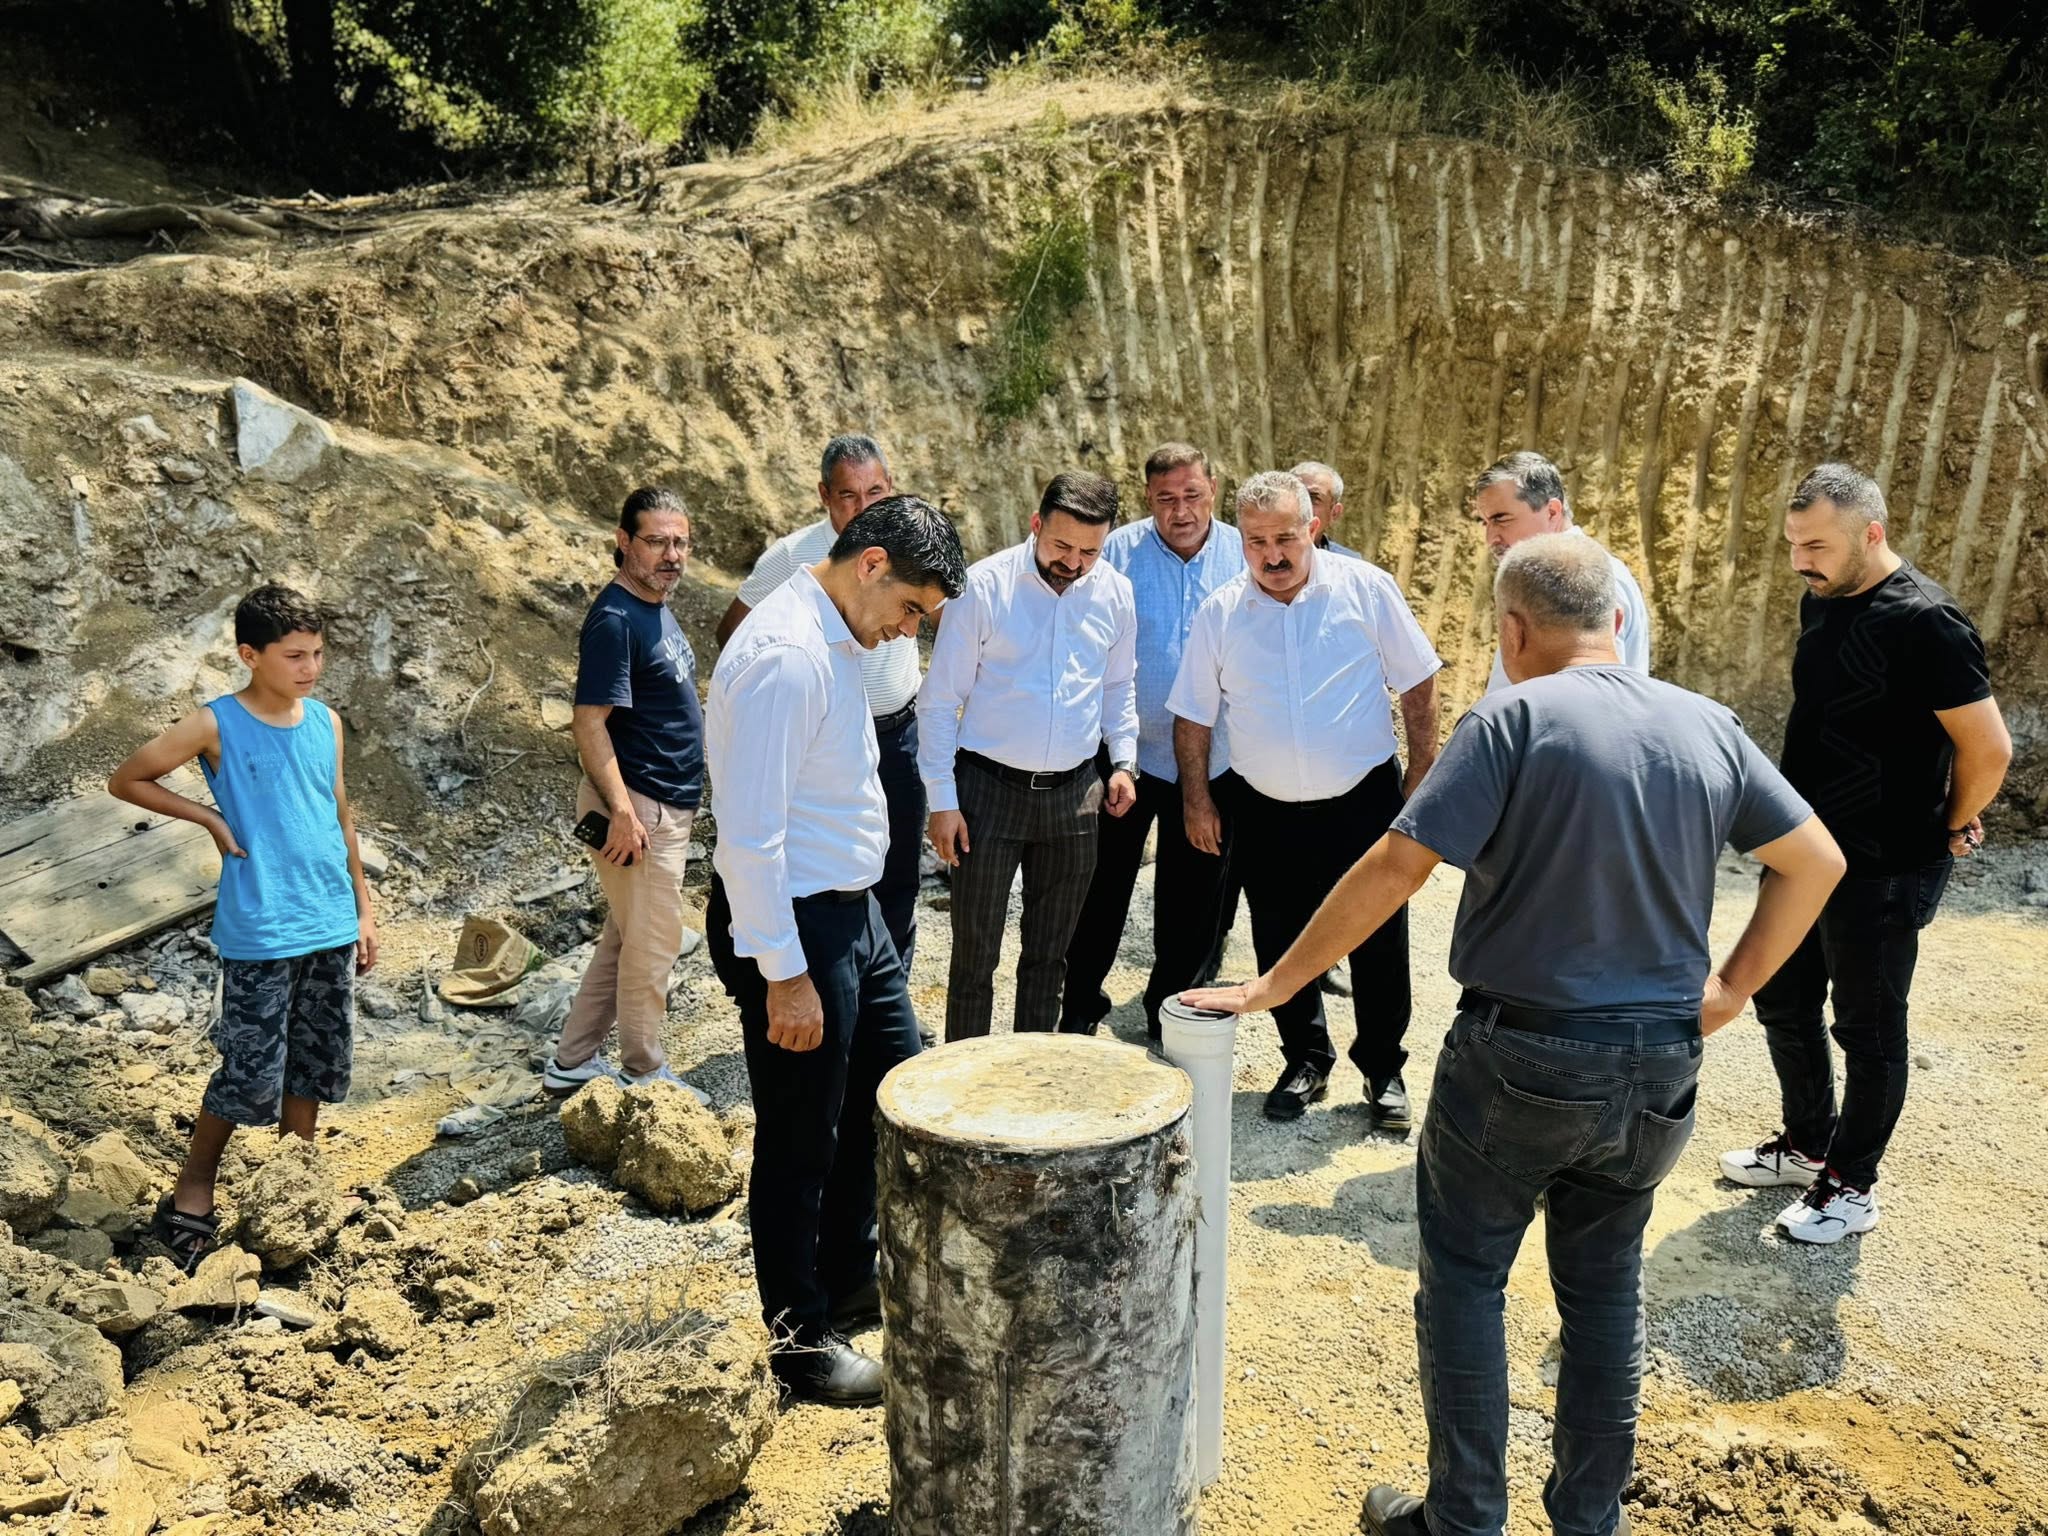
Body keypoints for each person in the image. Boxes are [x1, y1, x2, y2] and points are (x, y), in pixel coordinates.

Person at [1186, 533, 1845, 1536]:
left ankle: (1463, 1520)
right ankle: (1586, 1521)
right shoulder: (1705, 724)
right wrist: (1727, 989)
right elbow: (1814, 861)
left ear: (1513, 629)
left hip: (1519, 1057)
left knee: (1463, 1282)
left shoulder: (1508, 720)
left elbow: (1393, 868)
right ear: (1615, 622)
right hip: (1659, 1061)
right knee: (1603, 1293)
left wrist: (1275, 982)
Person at [705, 495, 967, 1404]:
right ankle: (801, 1344)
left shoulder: (841, 637)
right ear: (871, 566)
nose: (911, 631)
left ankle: (850, 1272)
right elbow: (749, 836)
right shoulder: (786, 657)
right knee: (800, 1140)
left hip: (850, 915)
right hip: (797, 927)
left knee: (890, 1091)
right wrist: (785, 977)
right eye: (911, 608)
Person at [1720, 463, 2010, 1243]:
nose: (1799, 561)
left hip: (1886, 862)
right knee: (1781, 999)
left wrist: (1953, 821)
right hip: (1807, 854)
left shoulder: (1927, 622)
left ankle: (1852, 1187)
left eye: (1815, 545)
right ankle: (1809, 1144)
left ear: (1871, 533)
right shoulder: (1823, 602)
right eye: (1792, 545)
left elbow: (1988, 746)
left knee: (1869, 1029)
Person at [110, 584, 380, 1275]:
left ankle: (298, 1186)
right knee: (248, 1070)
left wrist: (364, 909)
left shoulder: (326, 722)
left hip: (328, 920)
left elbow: (339, 814)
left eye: (317, 653)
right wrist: (209, 818)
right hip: (262, 926)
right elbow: (129, 778)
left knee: (315, 1063)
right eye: (294, 656)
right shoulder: (217, 724)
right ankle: (194, 1187)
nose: (310, 668)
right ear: (249, 655)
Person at [1168, 469, 1441, 1130]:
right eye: (1257, 542)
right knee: (1279, 933)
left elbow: (1420, 685)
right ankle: (1305, 1059)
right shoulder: (1222, 613)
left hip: (1363, 799)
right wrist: (1197, 800)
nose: (1274, 555)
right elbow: (1193, 718)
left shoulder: (1366, 590)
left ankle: (1384, 1070)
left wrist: (1422, 778)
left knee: (1378, 933)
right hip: (1264, 805)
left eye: (1286, 537)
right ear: (1243, 543)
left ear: (1312, 527)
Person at [919, 471, 1139, 1041]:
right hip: (987, 793)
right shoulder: (983, 588)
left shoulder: (1115, 591)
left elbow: (1119, 685)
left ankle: (1033, 1085)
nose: (1074, 562)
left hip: (1075, 796)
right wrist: (943, 801)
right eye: (1062, 546)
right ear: (1036, 524)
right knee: (974, 958)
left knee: (1050, 959)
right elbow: (940, 701)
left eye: (1090, 550)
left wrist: (1123, 761)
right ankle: (963, 1091)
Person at [714, 435, 928, 968]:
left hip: (898, 735)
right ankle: (820, 978)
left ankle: (887, 981)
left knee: (897, 871)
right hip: (820, 742)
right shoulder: (791, 558)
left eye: (875, 492)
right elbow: (733, 633)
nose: (863, 508)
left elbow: (947, 625)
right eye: (848, 496)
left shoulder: (907, 557)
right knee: (823, 869)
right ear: (824, 496)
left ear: (892, 487)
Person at [1060, 443, 1246, 1041]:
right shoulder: (1116, 551)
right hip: (1126, 758)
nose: (1181, 510)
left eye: (1193, 495)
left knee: (1193, 901)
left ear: (1214, 490)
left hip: (1213, 764)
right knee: (1100, 888)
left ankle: (1169, 1012)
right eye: (1167, 498)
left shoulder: (1245, 554)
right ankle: (1080, 1000)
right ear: (1149, 499)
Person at [541, 488, 711, 1104]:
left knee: (625, 936)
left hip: (659, 803)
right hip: (639, 808)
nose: (671, 555)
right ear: (623, 541)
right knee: (654, 941)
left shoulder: (654, 605)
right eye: (657, 542)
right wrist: (622, 812)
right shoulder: (615, 620)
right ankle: (645, 1071)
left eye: (680, 542)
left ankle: (572, 1061)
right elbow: (588, 723)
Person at [1472, 450, 1650, 692]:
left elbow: (1597, 690)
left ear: (1552, 512)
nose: (1491, 537)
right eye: (1485, 522)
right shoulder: (1542, 577)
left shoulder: (1590, 575)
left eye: (1501, 519)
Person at [1291, 460, 1362, 560]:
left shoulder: (1349, 566)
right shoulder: (1263, 556)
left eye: (1313, 499)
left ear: (1334, 513)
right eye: (1295, 496)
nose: (1301, 507)